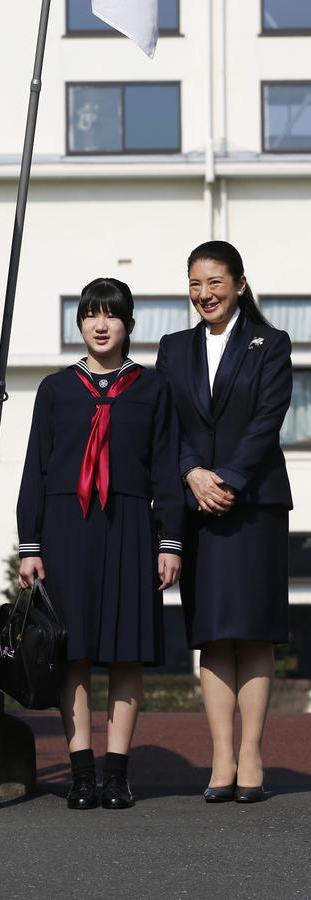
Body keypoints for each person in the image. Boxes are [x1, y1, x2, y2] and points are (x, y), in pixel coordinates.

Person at [17, 277, 183, 810]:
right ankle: (81, 774)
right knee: (75, 656)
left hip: (131, 525)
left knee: (126, 654)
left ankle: (118, 775)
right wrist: (30, 545)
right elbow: (34, 471)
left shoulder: (154, 389)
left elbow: (165, 470)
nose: (101, 324)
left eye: (112, 315)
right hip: (67, 529)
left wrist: (170, 541)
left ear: (129, 325)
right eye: (91, 314)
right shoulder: (55, 389)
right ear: (81, 324)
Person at [156, 240, 292, 804]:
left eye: (215, 282)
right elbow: (166, 425)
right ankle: (220, 757)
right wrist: (193, 475)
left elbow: (268, 418)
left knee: (254, 631)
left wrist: (228, 478)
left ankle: (253, 753)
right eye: (195, 283)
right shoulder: (172, 348)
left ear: (238, 283)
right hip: (198, 507)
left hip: (253, 503)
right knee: (211, 634)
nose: (204, 294)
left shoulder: (271, 343)